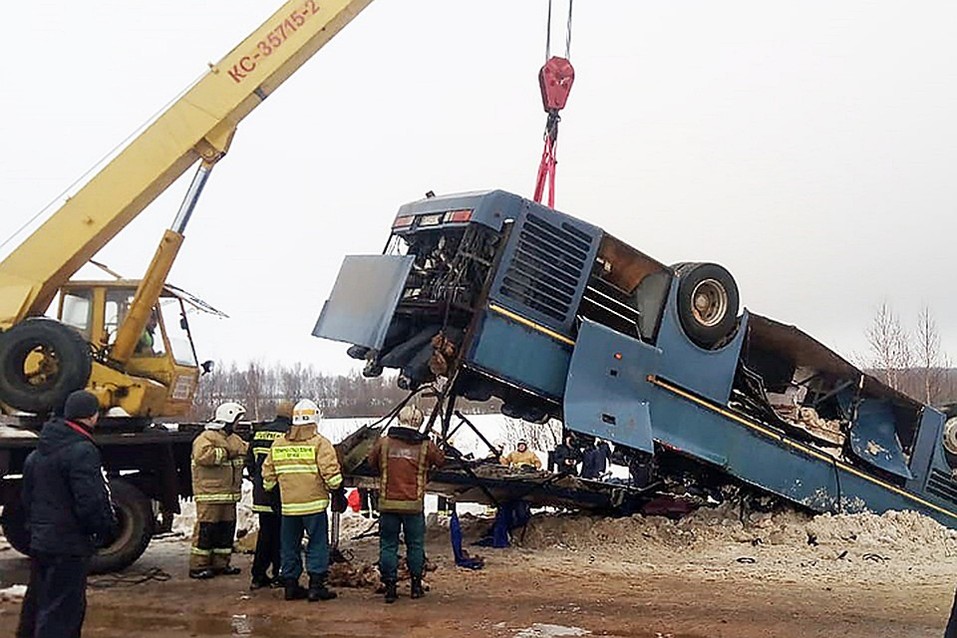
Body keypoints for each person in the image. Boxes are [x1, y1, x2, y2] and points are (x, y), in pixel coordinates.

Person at [16, 390, 117, 638]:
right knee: (63, 612)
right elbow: (91, 500)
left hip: (42, 542)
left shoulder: (37, 453)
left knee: (39, 604)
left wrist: (37, 529)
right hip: (69, 544)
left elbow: (26, 499)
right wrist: (103, 530)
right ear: (92, 416)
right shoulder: (82, 451)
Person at [262, 399, 347, 602]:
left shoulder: (279, 443)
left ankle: (290, 586)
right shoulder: (320, 443)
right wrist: (338, 491)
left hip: (289, 507)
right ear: (315, 418)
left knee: (289, 545)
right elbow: (332, 476)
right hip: (314, 506)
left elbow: (268, 474)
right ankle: (316, 587)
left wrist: (272, 493)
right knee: (317, 544)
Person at [367, 405, 445, 603]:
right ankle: (416, 587)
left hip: (388, 504)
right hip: (413, 505)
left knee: (388, 546)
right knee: (415, 546)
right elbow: (441, 461)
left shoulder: (384, 443)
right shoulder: (425, 445)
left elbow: (371, 462)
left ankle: (391, 588)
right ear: (418, 422)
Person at [188, 402, 248, 579]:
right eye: (236, 420)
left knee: (226, 530)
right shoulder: (206, 438)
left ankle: (221, 564)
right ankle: (198, 566)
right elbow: (203, 456)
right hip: (209, 494)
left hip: (229, 496)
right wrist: (229, 452)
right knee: (206, 530)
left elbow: (245, 449)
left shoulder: (234, 439)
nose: (237, 424)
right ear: (228, 419)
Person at [246, 400, 293, 590]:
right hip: (281, 493)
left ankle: (258, 576)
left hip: (261, 493)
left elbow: (250, 462)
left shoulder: (260, 432)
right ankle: (278, 573)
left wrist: (258, 480)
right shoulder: (288, 434)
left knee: (265, 534)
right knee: (283, 535)